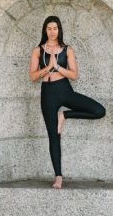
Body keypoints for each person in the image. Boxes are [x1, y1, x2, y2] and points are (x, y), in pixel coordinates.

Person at [28, 15, 106, 189]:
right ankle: (58, 177)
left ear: (59, 29)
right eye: (49, 28)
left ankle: (64, 114)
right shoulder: (37, 51)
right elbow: (32, 76)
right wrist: (48, 68)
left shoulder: (67, 49)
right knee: (53, 136)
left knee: (99, 111)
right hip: (47, 94)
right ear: (45, 30)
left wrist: (58, 67)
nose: (52, 31)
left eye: (55, 28)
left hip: (64, 91)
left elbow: (74, 75)